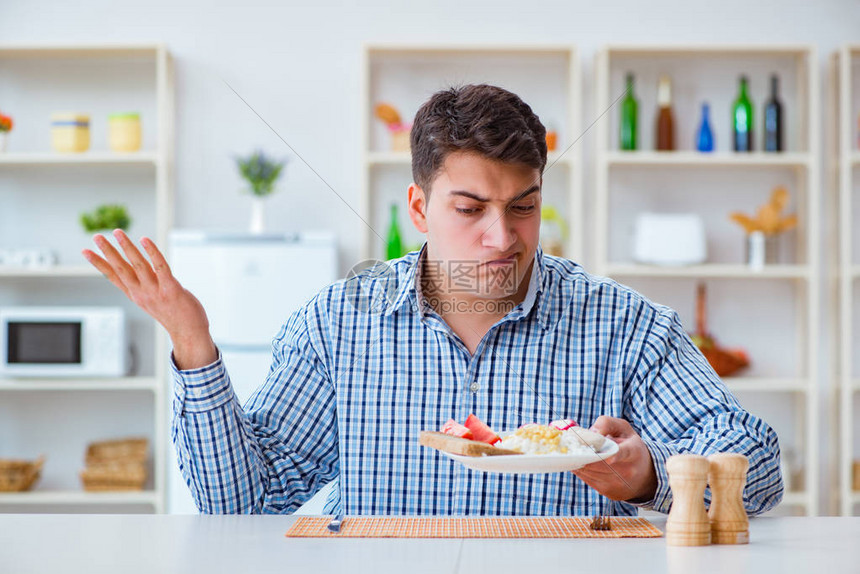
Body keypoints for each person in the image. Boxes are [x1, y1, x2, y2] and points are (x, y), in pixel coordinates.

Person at [83, 84, 783, 516]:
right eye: (470, 208)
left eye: (524, 207)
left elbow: (759, 464)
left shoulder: (623, 325)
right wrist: (194, 346)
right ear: (419, 207)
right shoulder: (337, 324)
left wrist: (651, 475)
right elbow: (243, 503)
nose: (501, 236)